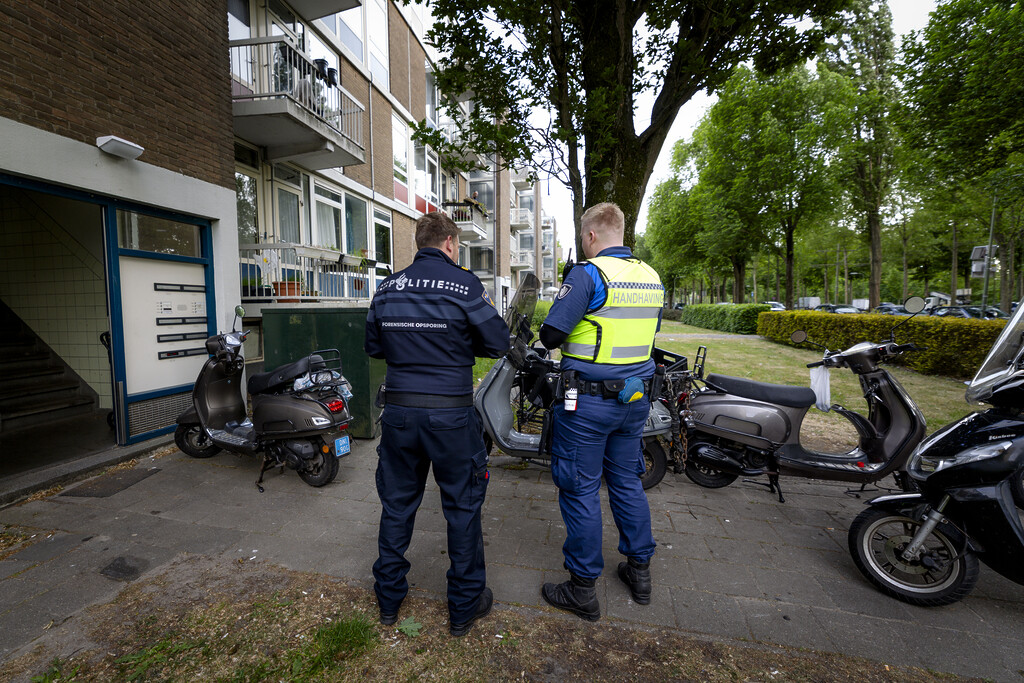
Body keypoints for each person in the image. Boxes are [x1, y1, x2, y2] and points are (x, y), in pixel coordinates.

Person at [364, 211, 509, 637]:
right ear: (449, 243)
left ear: (419, 242)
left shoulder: (388, 287)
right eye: (457, 245)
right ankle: (463, 609)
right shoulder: (463, 285)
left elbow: (373, 346)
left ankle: (388, 600)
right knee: (463, 507)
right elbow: (498, 342)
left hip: (400, 415)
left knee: (397, 505)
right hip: (451, 416)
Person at [538, 202, 664, 621]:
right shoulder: (650, 277)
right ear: (620, 231)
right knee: (627, 480)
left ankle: (582, 588)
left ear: (590, 236)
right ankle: (640, 572)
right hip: (635, 399)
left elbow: (552, 334)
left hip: (589, 403)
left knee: (580, 488)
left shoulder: (588, 273)